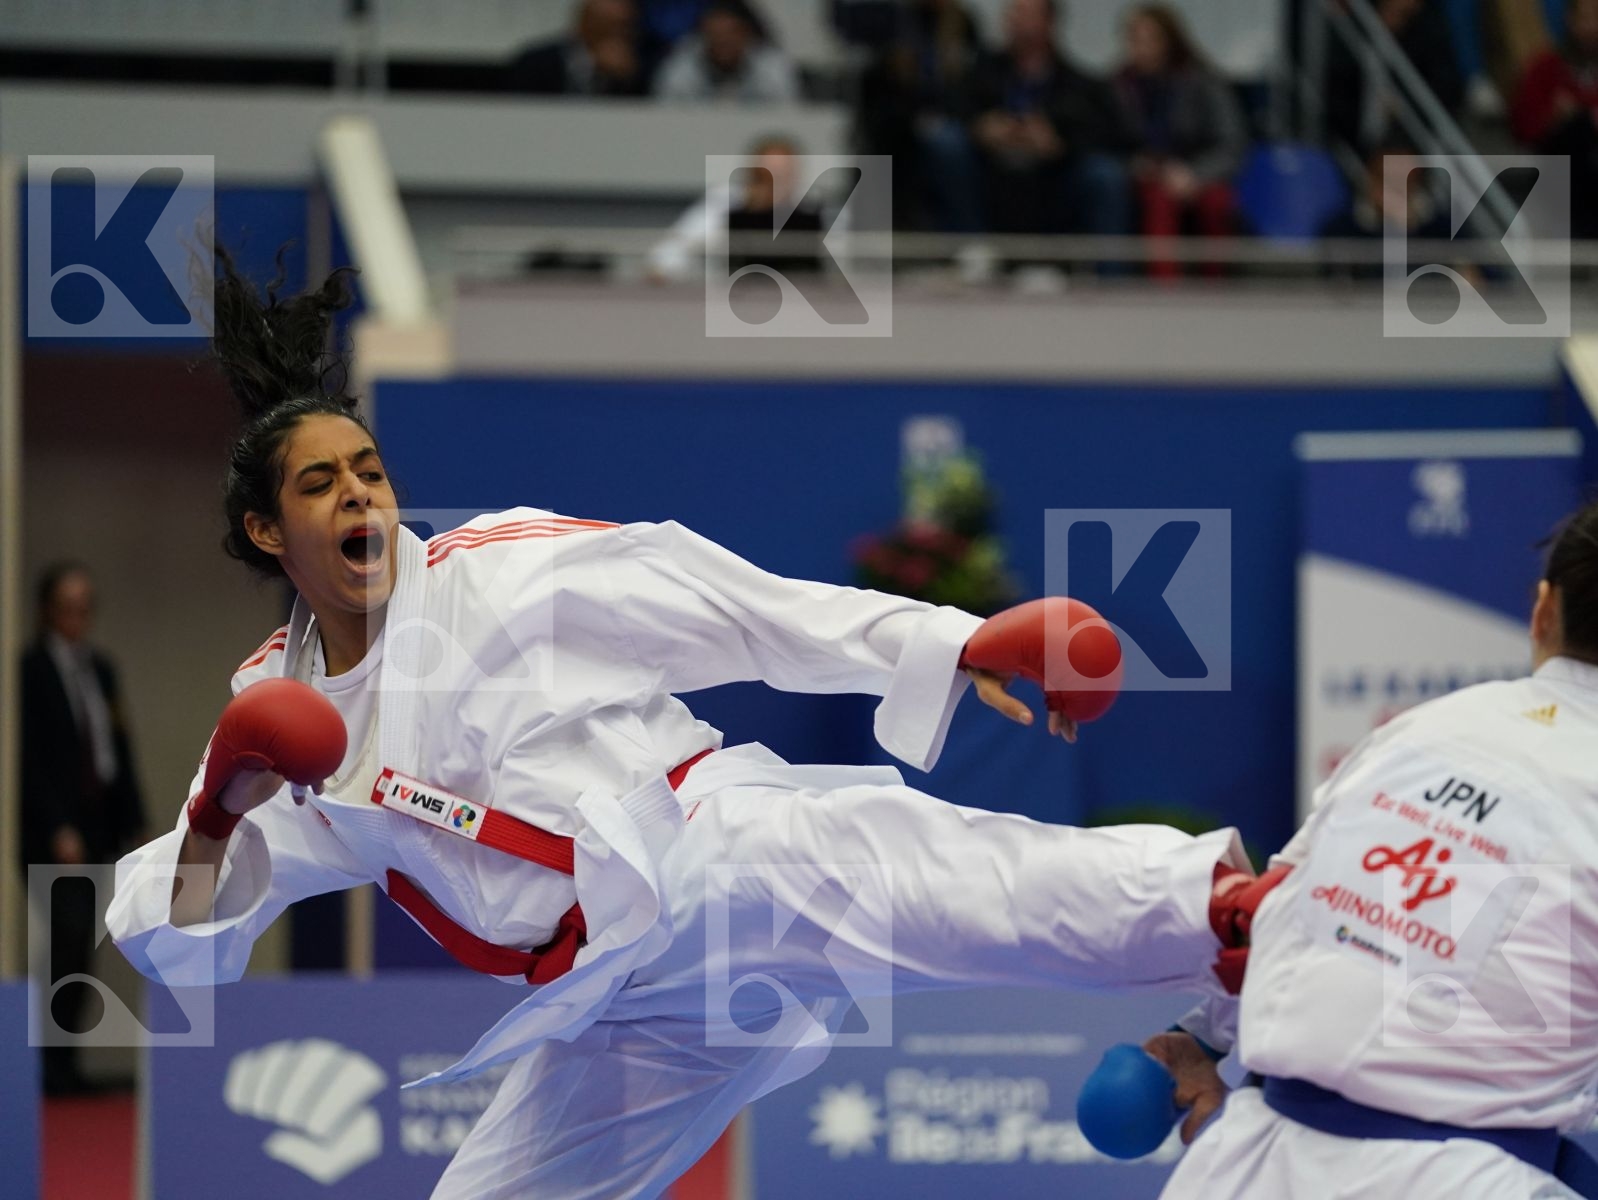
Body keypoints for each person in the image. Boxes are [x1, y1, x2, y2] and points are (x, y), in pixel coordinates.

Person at [107, 250, 1256, 1198]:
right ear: (268, 534)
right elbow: (182, 925)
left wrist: (948, 642)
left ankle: (1232, 916)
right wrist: (216, 808)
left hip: (716, 855)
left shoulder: (497, 573)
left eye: (369, 469)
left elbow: (728, 606)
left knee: (967, 884)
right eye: (320, 486)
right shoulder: (278, 716)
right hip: (614, 1004)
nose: (361, 495)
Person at [1135, 498, 1598, 1198]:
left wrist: (1201, 1039)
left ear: (1541, 611)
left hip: (1248, 1169)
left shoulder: (1421, 730)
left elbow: (1271, 915)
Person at [22, 562, 147, 1095]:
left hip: (100, 827)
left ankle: (65, 1065)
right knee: (67, 940)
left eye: (85, 607)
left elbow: (115, 747)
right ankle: (47, 1067)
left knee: (88, 941)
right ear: (47, 611)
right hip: (55, 831)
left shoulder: (101, 668)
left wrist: (133, 821)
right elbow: (26, 758)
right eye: (67, 607)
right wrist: (56, 825)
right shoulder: (28, 671)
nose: (78, 618)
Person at [963, 0, 1133, 241]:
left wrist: (1059, 143)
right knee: (946, 143)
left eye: (1026, 14)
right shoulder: (982, 69)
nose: (1017, 21)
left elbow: (1107, 134)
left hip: (1054, 179)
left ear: (1049, 22)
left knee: (1105, 173)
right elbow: (953, 106)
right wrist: (981, 126)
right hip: (989, 170)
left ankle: (1110, 276)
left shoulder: (1077, 83)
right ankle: (970, 248)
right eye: (1014, 13)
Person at [1113, 4, 1247, 279]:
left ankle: (1217, 285)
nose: (1141, 47)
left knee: (1217, 202)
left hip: (1198, 174)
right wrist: (1136, 164)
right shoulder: (1118, 86)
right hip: (1147, 177)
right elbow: (1107, 142)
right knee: (1158, 200)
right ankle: (1165, 288)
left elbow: (1232, 144)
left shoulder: (1203, 81)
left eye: (1149, 39)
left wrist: (1194, 175)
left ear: (1169, 41)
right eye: (1134, 39)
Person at [856, 0, 987, 232]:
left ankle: (964, 234)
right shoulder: (894, 22)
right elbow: (876, 85)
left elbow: (972, 85)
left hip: (952, 121)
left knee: (949, 144)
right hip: (900, 123)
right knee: (886, 140)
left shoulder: (962, 24)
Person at [1324, 0, 1465, 154]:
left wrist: (1399, 139)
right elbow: (1333, 94)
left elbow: (1447, 86)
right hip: (1346, 140)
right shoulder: (1348, 26)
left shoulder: (1428, 28)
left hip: (1401, 140)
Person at [1512, 0, 1598, 240]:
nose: (1591, 27)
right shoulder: (1545, 68)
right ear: (1570, 19)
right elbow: (1523, 129)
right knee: (1577, 132)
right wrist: (1555, 118)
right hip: (1558, 168)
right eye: (1584, 18)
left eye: (1596, 18)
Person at [653, 0, 799, 103]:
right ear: (703, 35)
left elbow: (787, 113)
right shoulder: (681, 67)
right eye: (715, 34)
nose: (723, 41)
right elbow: (665, 114)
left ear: (747, 34)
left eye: (731, 33)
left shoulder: (772, 67)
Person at [507, 0, 649, 97]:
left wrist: (624, 81)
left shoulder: (634, 72)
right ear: (584, 18)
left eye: (625, 26)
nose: (624, 13)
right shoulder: (536, 63)